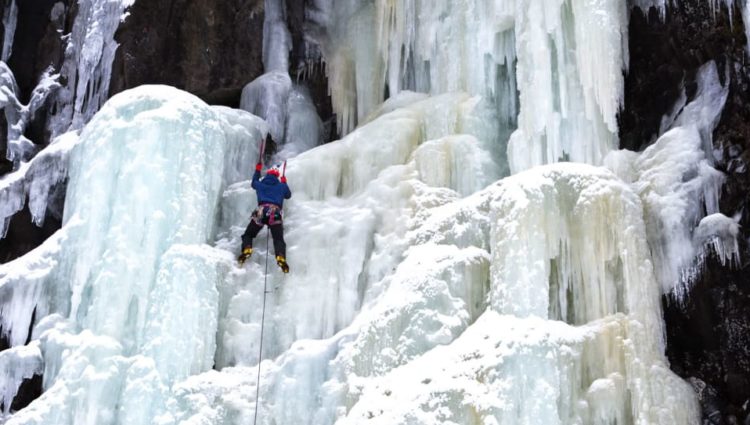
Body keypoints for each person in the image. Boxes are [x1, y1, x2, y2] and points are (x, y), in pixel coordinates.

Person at [237, 162, 291, 273]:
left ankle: (247, 248)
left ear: (267, 175)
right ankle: (280, 256)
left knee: (248, 234)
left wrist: (257, 171)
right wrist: (284, 182)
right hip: (275, 213)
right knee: (278, 239)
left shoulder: (261, 184)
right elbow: (288, 195)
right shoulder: (281, 186)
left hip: (261, 212)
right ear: (277, 176)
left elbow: (253, 183)